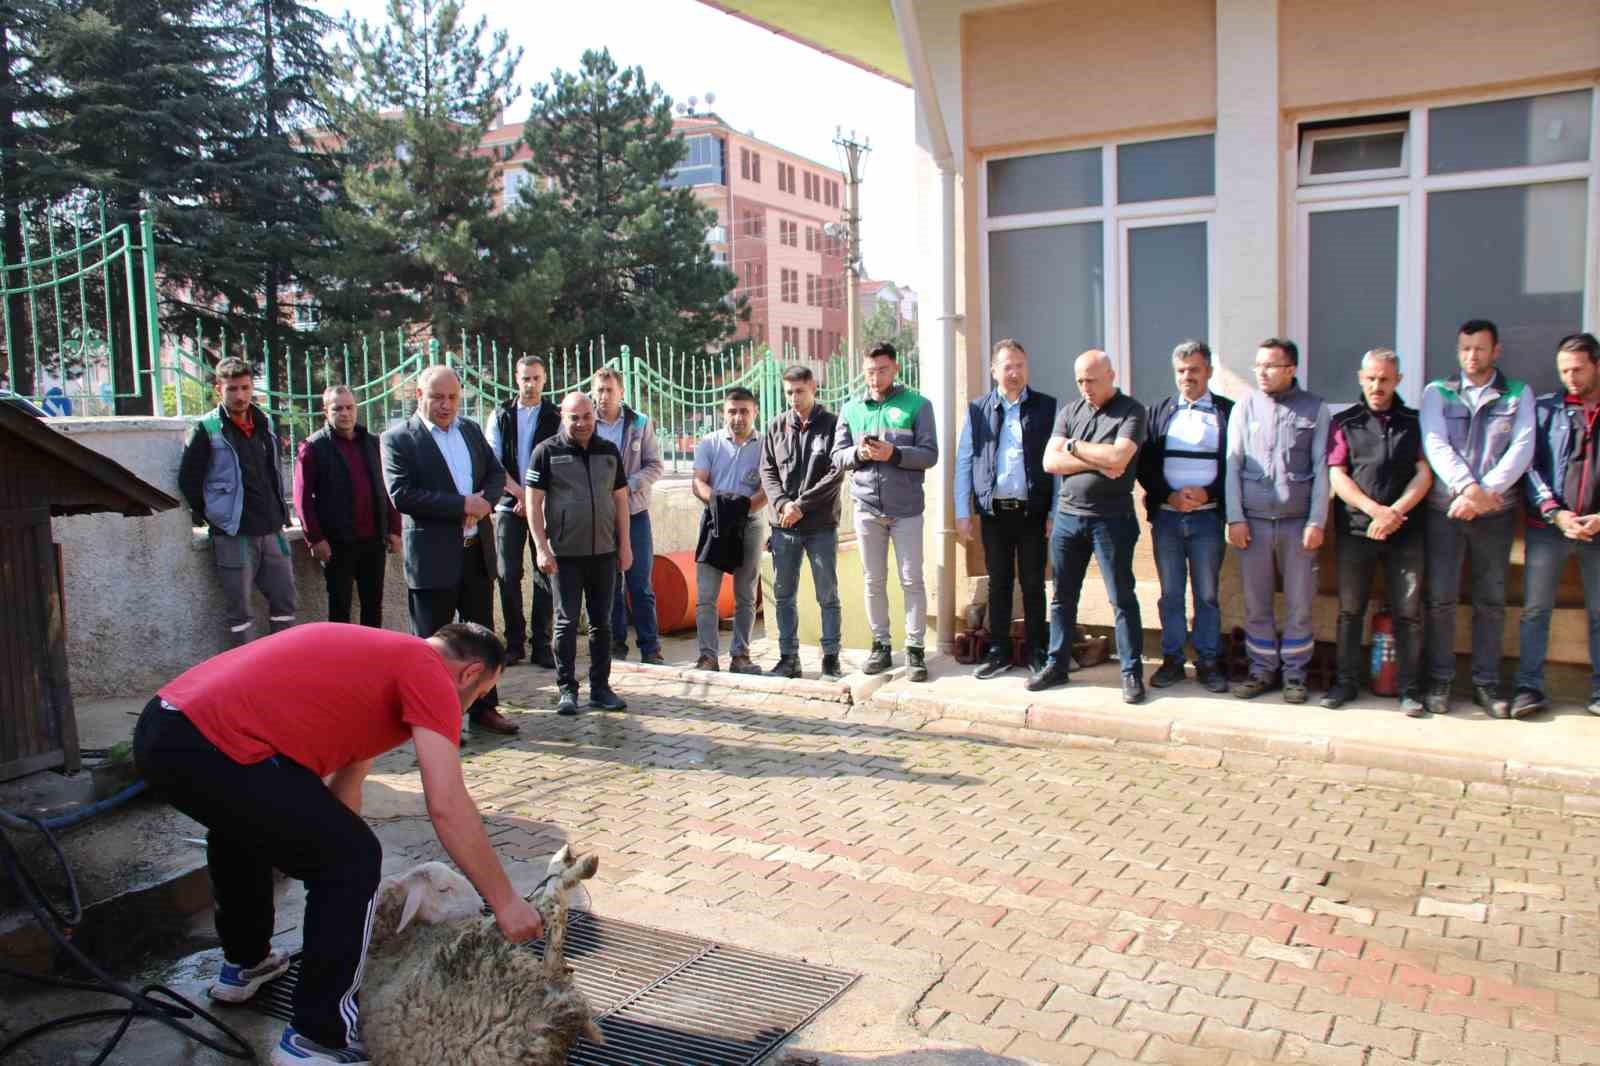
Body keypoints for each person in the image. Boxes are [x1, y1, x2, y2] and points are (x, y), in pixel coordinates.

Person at [131, 621, 543, 1066]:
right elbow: (446, 803)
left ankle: (246, 963)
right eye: (480, 695)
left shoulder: (384, 664)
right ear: (469, 673)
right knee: (353, 859)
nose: (469, 706)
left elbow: (345, 788)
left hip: (165, 729)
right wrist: (505, 901)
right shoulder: (428, 672)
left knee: (251, 828)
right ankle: (317, 1038)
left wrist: (327, 861)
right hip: (211, 740)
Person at [381, 366, 518, 736]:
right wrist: (461, 505)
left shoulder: (470, 431)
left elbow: (494, 473)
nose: (445, 405)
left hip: (475, 554)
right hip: (432, 559)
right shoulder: (398, 439)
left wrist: (484, 504)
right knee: (432, 647)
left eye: (452, 398)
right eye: (437, 397)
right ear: (418, 394)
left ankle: (485, 709)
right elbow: (402, 494)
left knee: (482, 639)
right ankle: (434, 722)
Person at [1419, 319, 1535, 715]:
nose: (1472, 356)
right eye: (1465, 348)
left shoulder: (1519, 394)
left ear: (1496, 351)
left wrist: (1485, 494)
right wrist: (1468, 488)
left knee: (1491, 601)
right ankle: (1440, 681)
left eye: (1480, 349)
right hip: (1445, 511)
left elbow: (1521, 448)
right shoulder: (1438, 392)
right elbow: (1435, 444)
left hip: (1495, 514)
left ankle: (1487, 685)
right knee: (1440, 600)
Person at [1031, 350, 1148, 703]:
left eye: (1092, 380)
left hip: (1112, 519)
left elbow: (1119, 458)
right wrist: (1093, 459)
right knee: (1062, 597)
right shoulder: (1070, 412)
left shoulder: (1131, 411)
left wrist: (1074, 450)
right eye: (1080, 381)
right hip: (1068, 517)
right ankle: (1057, 664)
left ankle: (1131, 673)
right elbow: (1051, 461)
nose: (1085, 388)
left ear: (1111, 375)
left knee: (1121, 597)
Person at [1322, 349, 1431, 716]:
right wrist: (1374, 511)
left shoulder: (1413, 421)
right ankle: (1345, 683)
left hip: (1406, 531)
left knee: (1408, 613)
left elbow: (1424, 473)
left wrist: (1395, 513)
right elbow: (1337, 474)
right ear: (1360, 377)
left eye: (1384, 379)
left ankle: (1409, 689)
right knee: (1350, 611)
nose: (1377, 386)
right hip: (1356, 531)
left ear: (1397, 380)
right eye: (1370, 378)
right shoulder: (1345, 422)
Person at [1224, 338, 1330, 704]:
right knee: (1257, 603)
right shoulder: (1245, 407)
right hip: (1253, 524)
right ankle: (1261, 670)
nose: (1262, 373)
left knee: (1300, 603)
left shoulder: (1314, 409)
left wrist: (1317, 521)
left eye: (1270, 366)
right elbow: (1232, 465)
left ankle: (1296, 674)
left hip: (1296, 524)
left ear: (1291, 369)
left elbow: (1321, 470)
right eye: (1258, 366)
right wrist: (1234, 517)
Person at [1505, 332, 1600, 720]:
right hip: (1549, 528)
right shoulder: (1547, 410)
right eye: (1564, 371)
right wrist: (1554, 512)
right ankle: (1529, 688)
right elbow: (1529, 466)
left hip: (1598, 530)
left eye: (1578, 369)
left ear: (1596, 365)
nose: (1571, 378)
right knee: (1535, 610)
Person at [831, 342, 938, 681]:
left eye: (882, 370)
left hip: (906, 509)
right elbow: (837, 457)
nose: (875, 378)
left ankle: (916, 650)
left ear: (895, 369)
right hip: (866, 509)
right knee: (873, 580)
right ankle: (880, 645)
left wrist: (894, 453)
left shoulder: (918, 405)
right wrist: (860, 455)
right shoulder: (851, 409)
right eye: (869, 371)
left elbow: (929, 455)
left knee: (911, 580)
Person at [954, 339, 1056, 679]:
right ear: (995, 371)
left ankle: (1037, 650)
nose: (1015, 373)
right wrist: (963, 511)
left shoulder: (1045, 408)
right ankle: (997, 651)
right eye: (1008, 366)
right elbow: (964, 461)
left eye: (1020, 365)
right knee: (998, 582)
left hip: (1032, 512)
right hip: (995, 512)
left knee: (1033, 583)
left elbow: (1056, 465)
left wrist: (1055, 511)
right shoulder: (978, 409)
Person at [525, 392, 632, 716]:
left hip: (604, 552)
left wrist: (625, 546)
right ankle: (567, 689)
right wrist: (542, 548)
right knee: (566, 622)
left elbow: (621, 501)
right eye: (575, 417)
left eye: (587, 416)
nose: (582, 423)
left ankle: (600, 688)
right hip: (564, 555)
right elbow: (533, 504)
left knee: (602, 623)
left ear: (594, 416)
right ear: (563, 416)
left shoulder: (609, 451)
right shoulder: (546, 452)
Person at [178, 357, 296, 647]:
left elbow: (272, 472)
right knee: (239, 611)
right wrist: (213, 516)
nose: (240, 395)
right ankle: (245, 676)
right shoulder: (207, 428)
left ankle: (283, 665)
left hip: (271, 529)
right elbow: (188, 480)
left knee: (285, 602)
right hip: (233, 533)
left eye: (245, 388)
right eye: (232, 389)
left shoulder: (263, 422)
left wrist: (281, 514)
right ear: (219, 389)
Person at [1137, 340, 1233, 693]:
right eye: (1181, 371)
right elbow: (1144, 465)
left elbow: (1234, 465)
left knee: (1207, 593)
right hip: (1167, 518)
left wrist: (1209, 492)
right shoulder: (1159, 411)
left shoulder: (1227, 412)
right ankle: (1172, 660)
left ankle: (1208, 661)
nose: (1187, 377)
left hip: (1208, 518)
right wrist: (1170, 495)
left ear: (1208, 371)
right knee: (1171, 592)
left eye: (1194, 370)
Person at [759, 364, 845, 679]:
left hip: (820, 526)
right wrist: (782, 504)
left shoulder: (833, 425)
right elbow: (767, 471)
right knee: (783, 594)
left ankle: (831, 657)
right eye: (789, 393)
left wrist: (801, 505)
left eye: (799, 391)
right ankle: (788, 659)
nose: (794, 398)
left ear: (813, 388)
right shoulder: (775, 427)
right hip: (784, 527)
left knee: (827, 594)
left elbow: (836, 474)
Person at [294, 385, 401, 628]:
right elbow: (302, 499)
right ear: (325, 411)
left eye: (350, 407)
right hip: (337, 543)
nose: (345, 413)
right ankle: (342, 663)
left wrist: (395, 529)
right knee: (340, 608)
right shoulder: (313, 448)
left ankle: (371, 659)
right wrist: (315, 539)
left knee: (373, 605)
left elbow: (387, 488)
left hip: (373, 541)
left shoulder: (373, 443)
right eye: (338, 408)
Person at [486, 356, 560, 667]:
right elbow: (492, 460)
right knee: (507, 573)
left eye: (536, 378)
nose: (530, 384)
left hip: (544, 505)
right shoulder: (501, 413)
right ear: (516, 379)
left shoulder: (555, 415)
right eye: (525, 378)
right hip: (508, 503)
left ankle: (542, 644)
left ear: (544, 380)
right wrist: (518, 493)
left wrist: (533, 499)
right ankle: (514, 641)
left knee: (544, 570)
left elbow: (559, 457)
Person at [593, 367, 665, 666]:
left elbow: (655, 466)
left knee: (640, 583)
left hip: (635, 513)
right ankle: (615, 646)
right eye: (599, 390)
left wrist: (627, 486)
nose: (604, 396)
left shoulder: (639, 422)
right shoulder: (585, 423)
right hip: (601, 517)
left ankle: (650, 648)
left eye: (610, 390)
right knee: (609, 584)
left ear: (621, 392)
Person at [692, 387, 767, 674]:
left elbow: (768, 488)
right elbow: (698, 481)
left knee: (746, 594)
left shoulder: (765, 445)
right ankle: (707, 657)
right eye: (732, 411)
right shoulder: (709, 443)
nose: (738, 417)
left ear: (755, 412)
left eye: (744, 411)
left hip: (749, 525)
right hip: (714, 525)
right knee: (707, 595)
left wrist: (742, 509)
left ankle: (741, 656)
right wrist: (720, 506)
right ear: (724, 413)